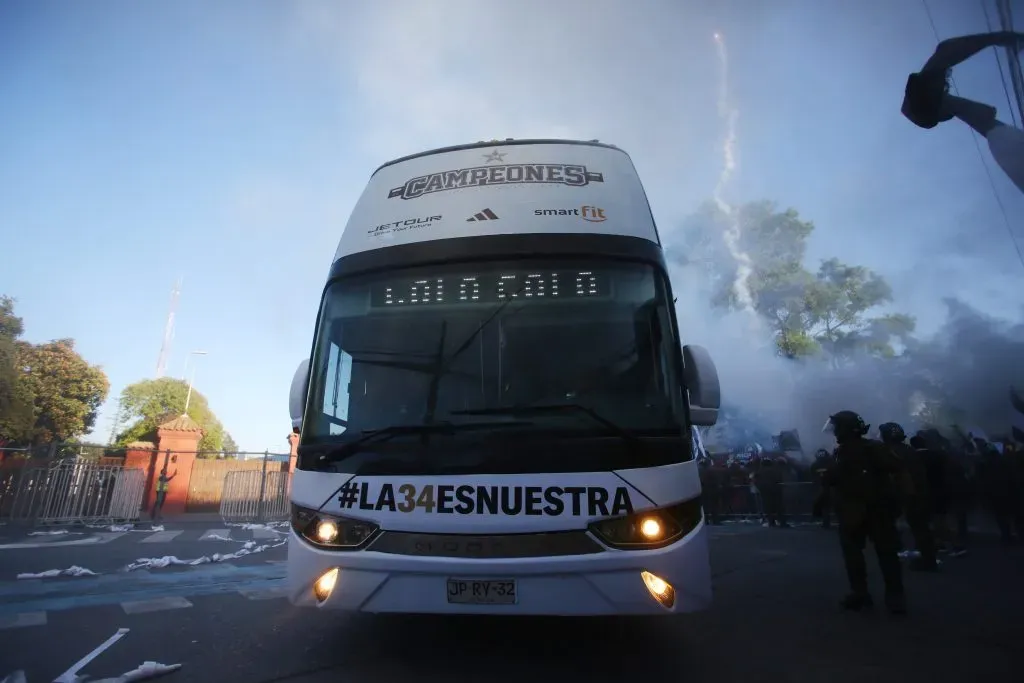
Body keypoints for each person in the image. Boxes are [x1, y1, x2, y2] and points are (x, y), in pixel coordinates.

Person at [902, 31, 1024, 194]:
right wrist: (996, 38)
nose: (946, 85)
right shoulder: (1004, 142)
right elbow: (944, 53)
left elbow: (985, 115)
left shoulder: (1002, 140)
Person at [814, 411, 907, 614]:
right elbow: (831, 479)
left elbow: (897, 468)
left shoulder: (869, 449)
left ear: (846, 429)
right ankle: (882, 596)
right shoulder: (845, 452)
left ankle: (872, 594)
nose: (835, 431)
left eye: (838, 427)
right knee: (877, 554)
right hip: (863, 510)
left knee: (871, 554)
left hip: (868, 509)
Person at [879, 423, 938, 571]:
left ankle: (925, 560)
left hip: (906, 495)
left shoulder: (891, 452)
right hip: (918, 493)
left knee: (913, 527)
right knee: (920, 528)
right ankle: (927, 558)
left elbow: (892, 476)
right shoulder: (908, 450)